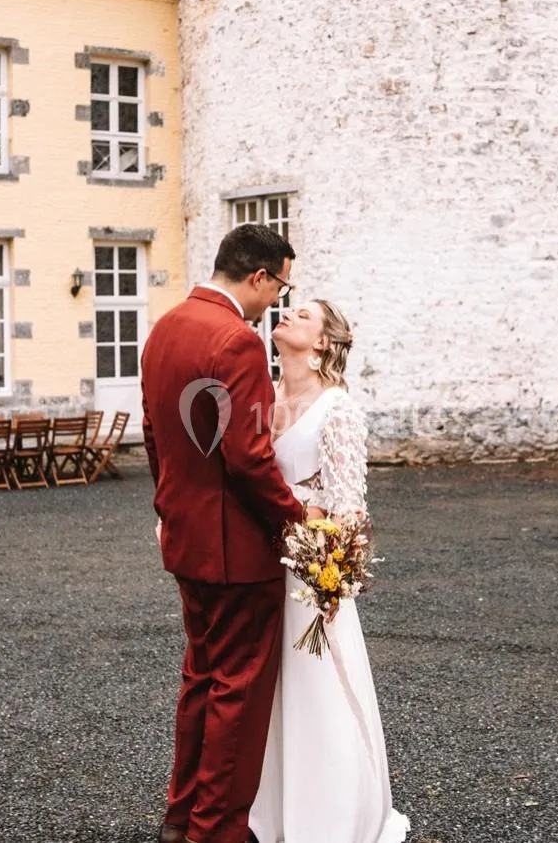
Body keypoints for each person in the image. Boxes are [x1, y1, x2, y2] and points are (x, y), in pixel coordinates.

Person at [141, 224, 305, 843]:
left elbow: (155, 435)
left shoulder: (165, 327)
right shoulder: (235, 340)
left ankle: (181, 816)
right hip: (237, 550)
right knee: (239, 692)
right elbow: (248, 457)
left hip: (187, 539)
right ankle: (216, 831)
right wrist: (298, 524)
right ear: (258, 276)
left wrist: (170, 508)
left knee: (202, 678)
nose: (278, 300)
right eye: (280, 286)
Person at [247, 299, 410, 843]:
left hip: (309, 571)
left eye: (303, 316)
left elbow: (348, 507)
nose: (287, 316)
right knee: (267, 688)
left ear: (322, 342)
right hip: (259, 562)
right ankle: (270, 811)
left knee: (316, 686)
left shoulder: (338, 409)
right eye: (287, 310)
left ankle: (331, 818)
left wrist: (329, 574)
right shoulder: (263, 398)